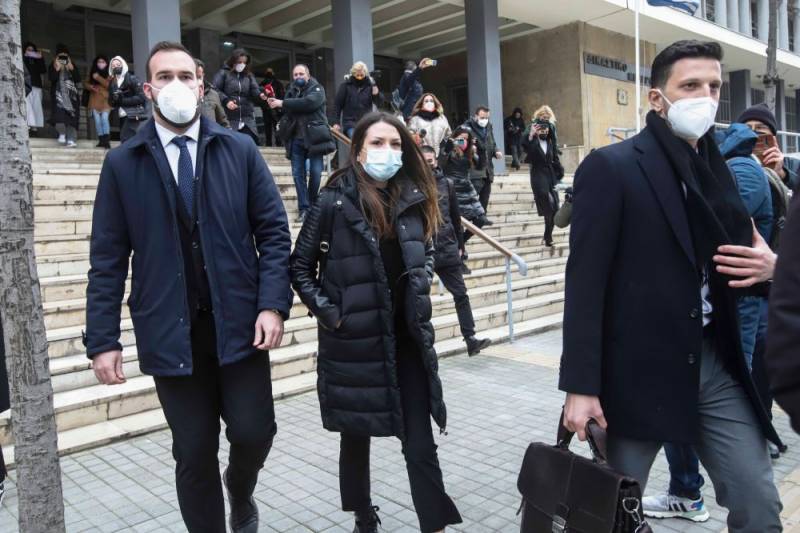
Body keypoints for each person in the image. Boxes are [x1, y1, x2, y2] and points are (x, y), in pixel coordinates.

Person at [560, 40, 782, 532]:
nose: (705, 97)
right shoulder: (612, 166)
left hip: (713, 363)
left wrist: (775, 269)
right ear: (657, 98)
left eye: (714, 86)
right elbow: (585, 284)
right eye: (690, 85)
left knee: (759, 502)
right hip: (634, 374)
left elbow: (740, 260)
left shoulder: (718, 172)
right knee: (608, 514)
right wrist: (580, 386)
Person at [85, 41, 292, 533]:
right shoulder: (123, 163)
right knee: (194, 451)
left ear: (201, 85)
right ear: (147, 88)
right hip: (170, 331)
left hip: (240, 324)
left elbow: (273, 233)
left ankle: (239, 487)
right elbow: (107, 260)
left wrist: (272, 304)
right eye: (164, 76)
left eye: (185, 75)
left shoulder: (239, 150)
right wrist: (103, 340)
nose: (175, 85)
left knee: (254, 433)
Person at [291, 111, 462, 533]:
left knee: (419, 441)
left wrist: (423, 281)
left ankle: (435, 524)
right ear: (358, 150)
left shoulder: (414, 198)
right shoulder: (332, 201)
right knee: (356, 435)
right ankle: (363, 513)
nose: (388, 151)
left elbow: (428, 251)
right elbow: (299, 268)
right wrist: (332, 315)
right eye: (377, 143)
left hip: (407, 342)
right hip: (355, 342)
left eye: (395, 144)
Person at [643, 121, 781, 523]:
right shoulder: (720, 167)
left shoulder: (738, 171)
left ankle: (694, 483)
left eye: (714, 89)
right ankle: (686, 489)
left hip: (730, 324)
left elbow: (718, 225)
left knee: (738, 404)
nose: (705, 97)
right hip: (668, 345)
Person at [422, 144, 491, 356]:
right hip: (422, 249)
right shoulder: (411, 184)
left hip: (446, 246)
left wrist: (461, 246)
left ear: (436, 161)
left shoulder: (447, 184)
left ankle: (470, 339)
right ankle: (420, 344)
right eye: (424, 161)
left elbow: (455, 217)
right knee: (418, 299)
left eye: (430, 161)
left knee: (461, 294)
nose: (428, 165)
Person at [269, 64, 335, 223]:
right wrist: (276, 104)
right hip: (295, 139)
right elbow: (287, 110)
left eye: (301, 74)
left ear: (308, 75)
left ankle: (312, 204)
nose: (298, 77)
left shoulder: (317, 89)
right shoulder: (291, 90)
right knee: (298, 175)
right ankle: (304, 209)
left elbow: (309, 103)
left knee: (316, 173)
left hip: (314, 139)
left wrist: (283, 103)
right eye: (295, 75)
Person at [438, 126, 488, 274]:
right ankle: (460, 259)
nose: (464, 141)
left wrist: (481, 149)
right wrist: (447, 148)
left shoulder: (470, 151)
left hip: (467, 189)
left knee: (481, 220)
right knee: (457, 226)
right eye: (461, 138)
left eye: (467, 139)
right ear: (455, 137)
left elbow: (481, 166)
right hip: (452, 188)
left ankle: (458, 244)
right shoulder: (448, 147)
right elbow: (440, 164)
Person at [521, 112, 564, 247]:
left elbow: (555, 159)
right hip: (538, 175)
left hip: (550, 175)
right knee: (548, 204)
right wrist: (531, 135)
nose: (544, 132)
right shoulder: (533, 142)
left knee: (555, 209)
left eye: (546, 130)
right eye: (541, 130)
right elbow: (526, 148)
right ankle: (548, 237)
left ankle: (548, 235)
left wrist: (560, 172)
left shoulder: (550, 143)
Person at [736, 103, 799, 190]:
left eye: (760, 127)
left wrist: (783, 174)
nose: (753, 132)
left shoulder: (794, 165)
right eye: (747, 127)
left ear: (773, 136)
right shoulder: (730, 163)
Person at [213, 49, 268, 145]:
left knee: (249, 145)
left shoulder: (249, 75)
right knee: (230, 146)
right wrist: (226, 101)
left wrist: (261, 95)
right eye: (239, 62)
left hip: (247, 119)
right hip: (229, 119)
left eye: (244, 62)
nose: (242, 64)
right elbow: (215, 89)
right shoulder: (223, 73)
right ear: (233, 61)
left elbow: (254, 89)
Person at [463, 106, 502, 220]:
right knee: (472, 201)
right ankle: (468, 222)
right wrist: (469, 146)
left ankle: (479, 221)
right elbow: (456, 142)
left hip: (488, 171)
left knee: (484, 201)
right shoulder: (466, 127)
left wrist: (496, 151)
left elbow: (492, 143)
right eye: (482, 117)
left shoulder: (489, 127)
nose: (484, 120)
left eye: (487, 118)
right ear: (476, 116)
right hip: (474, 171)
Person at [332, 61, 383, 138]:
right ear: (353, 74)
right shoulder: (346, 86)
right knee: (356, 140)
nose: (359, 77)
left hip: (366, 123)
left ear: (365, 73)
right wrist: (336, 122)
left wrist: (375, 91)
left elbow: (379, 103)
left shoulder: (370, 86)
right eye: (357, 75)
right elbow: (338, 105)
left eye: (361, 75)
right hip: (350, 123)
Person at [108, 56, 149, 142]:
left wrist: (122, 101)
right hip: (120, 114)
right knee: (126, 139)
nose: (116, 67)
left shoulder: (132, 79)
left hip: (132, 113)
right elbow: (110, 102)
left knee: (126, 138)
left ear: (123, 65)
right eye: (113, 66)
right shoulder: (112, 83)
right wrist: (114, 99)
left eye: (118, 64)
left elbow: (141, 97)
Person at [48, 44, 81, 148]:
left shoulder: (71, 65)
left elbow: (78, 79)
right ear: (56, 57)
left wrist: (71, 67)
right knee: (58, 117)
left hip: (71, 97)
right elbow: (51, 78)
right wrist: (57, 68)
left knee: (71, 119)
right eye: (60, 56)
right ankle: (62, 133)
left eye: (65, 56)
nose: (63, 58)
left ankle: (71, 140)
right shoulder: (53, 65)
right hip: (58, 96)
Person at [85, 55, 112, 148]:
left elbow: (109, 85)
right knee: (97, 121)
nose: (101, 64)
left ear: (106, 63)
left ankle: (106, 141)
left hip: (105, 100)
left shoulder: (110, 73)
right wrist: (91, 87)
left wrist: (98, 78)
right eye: (99, 62)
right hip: (94, 99)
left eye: (103, 62)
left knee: (104, 119)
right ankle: (101, 140)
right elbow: (86, 83)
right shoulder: (92, 72)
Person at [196, 59, 230, 129]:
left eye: (199, 77)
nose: (196, 80)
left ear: (203, 75)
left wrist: (228, 133)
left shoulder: (212, 94)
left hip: (210, 134)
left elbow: (223, 121)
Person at [22, 41, 46, 134]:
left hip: (37, 85)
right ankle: (29, 124)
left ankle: (35, 127)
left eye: (32, 50)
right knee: (27, 105)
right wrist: (25, 56)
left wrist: (40, 58)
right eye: (29, 50)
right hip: (25, 85)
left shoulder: (37, 60)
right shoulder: (23, 58)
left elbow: (43, 70)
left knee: (37, 106)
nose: (31, 52)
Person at [260, 67, 285, 146]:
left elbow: (282, 95)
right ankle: (274, 144)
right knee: (272, 128)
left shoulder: (275, 83)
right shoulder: (264, 84)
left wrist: (279, 105)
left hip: (274, 109)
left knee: (274, 128)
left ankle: (276, 144)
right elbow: (259, 96)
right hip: (269, 109)